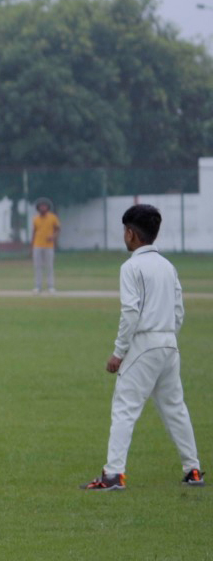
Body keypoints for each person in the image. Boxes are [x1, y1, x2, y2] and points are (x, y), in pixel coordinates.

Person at [83, 205, 201, 490]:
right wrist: (167, 338)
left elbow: (131, 312)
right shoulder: (168, 266)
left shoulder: (131, 267)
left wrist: (118, 353)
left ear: (131, 233)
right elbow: (178, 310)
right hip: (169, 344)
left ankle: (113, 475)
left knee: (124, 408)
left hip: (144, 344)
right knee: (175, 408)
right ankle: (193, 470)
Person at [31, 198, 60, 294]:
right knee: (38, 266)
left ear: (48, 207)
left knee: (49, 266)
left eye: (44, 206)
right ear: (38, 208)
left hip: (49, 246)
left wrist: (53, 236)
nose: (43, 207)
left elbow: (57, 229)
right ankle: (38, 286)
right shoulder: (35, 218)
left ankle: (50, 286)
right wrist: (31, 245)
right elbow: (34, 232)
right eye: (41, 206)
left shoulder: (52, 217)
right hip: (37, 245)